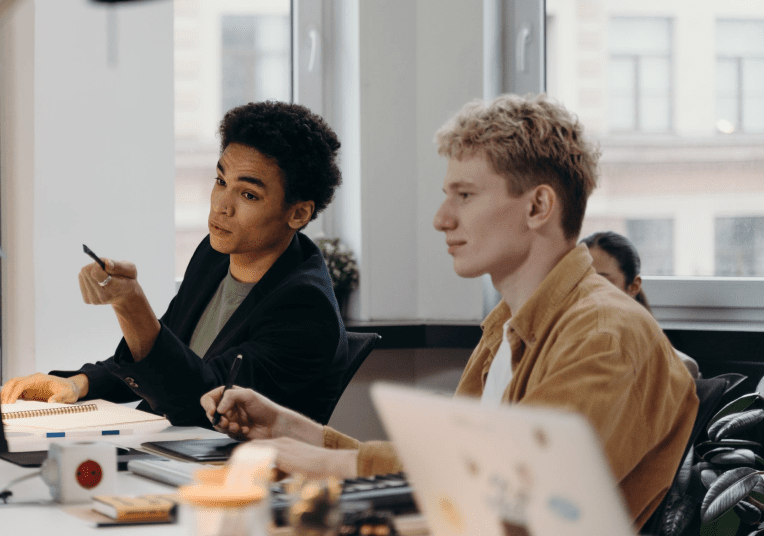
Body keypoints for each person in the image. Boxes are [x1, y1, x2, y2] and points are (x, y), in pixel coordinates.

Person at [201, 94, 698, 529]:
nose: (442, 218)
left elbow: (522, 494)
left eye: (465, 195)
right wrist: (295, 431)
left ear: (538, 207)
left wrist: (321, 465)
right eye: (447, 195)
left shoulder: (605, 332)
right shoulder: (507, 327)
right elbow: (456, 465)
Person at [0, 101, 351, 427]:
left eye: (248, 195)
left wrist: (130, 303)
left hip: (232, 479)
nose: (221, 206)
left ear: (299, 212)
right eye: (220, 181)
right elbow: (169, 355)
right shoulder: (215, 256)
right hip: (165, 453)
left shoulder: (306, 308)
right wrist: (77, 383)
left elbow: (203, 402)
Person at [581, 230, 700, 379]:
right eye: (580, 279)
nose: (587, 291)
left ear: (633, 287)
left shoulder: (676, 368)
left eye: (601, 282)